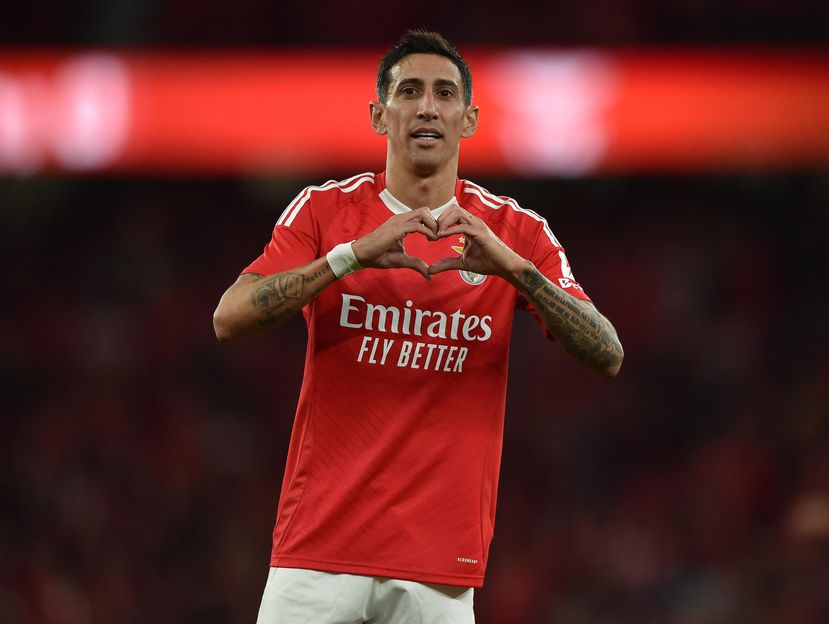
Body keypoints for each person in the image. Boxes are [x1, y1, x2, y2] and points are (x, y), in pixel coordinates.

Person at [213, 29, 623, 624]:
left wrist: (518, 272)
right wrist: (349, 258)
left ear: (469, 119)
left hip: (438, 571)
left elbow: (607, 353)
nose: (427, 107)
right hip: (317, 555)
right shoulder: (326, 211)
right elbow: (229, 317)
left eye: (444, 93)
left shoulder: (515, 232)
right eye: (409, 92)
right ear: (379, 116)